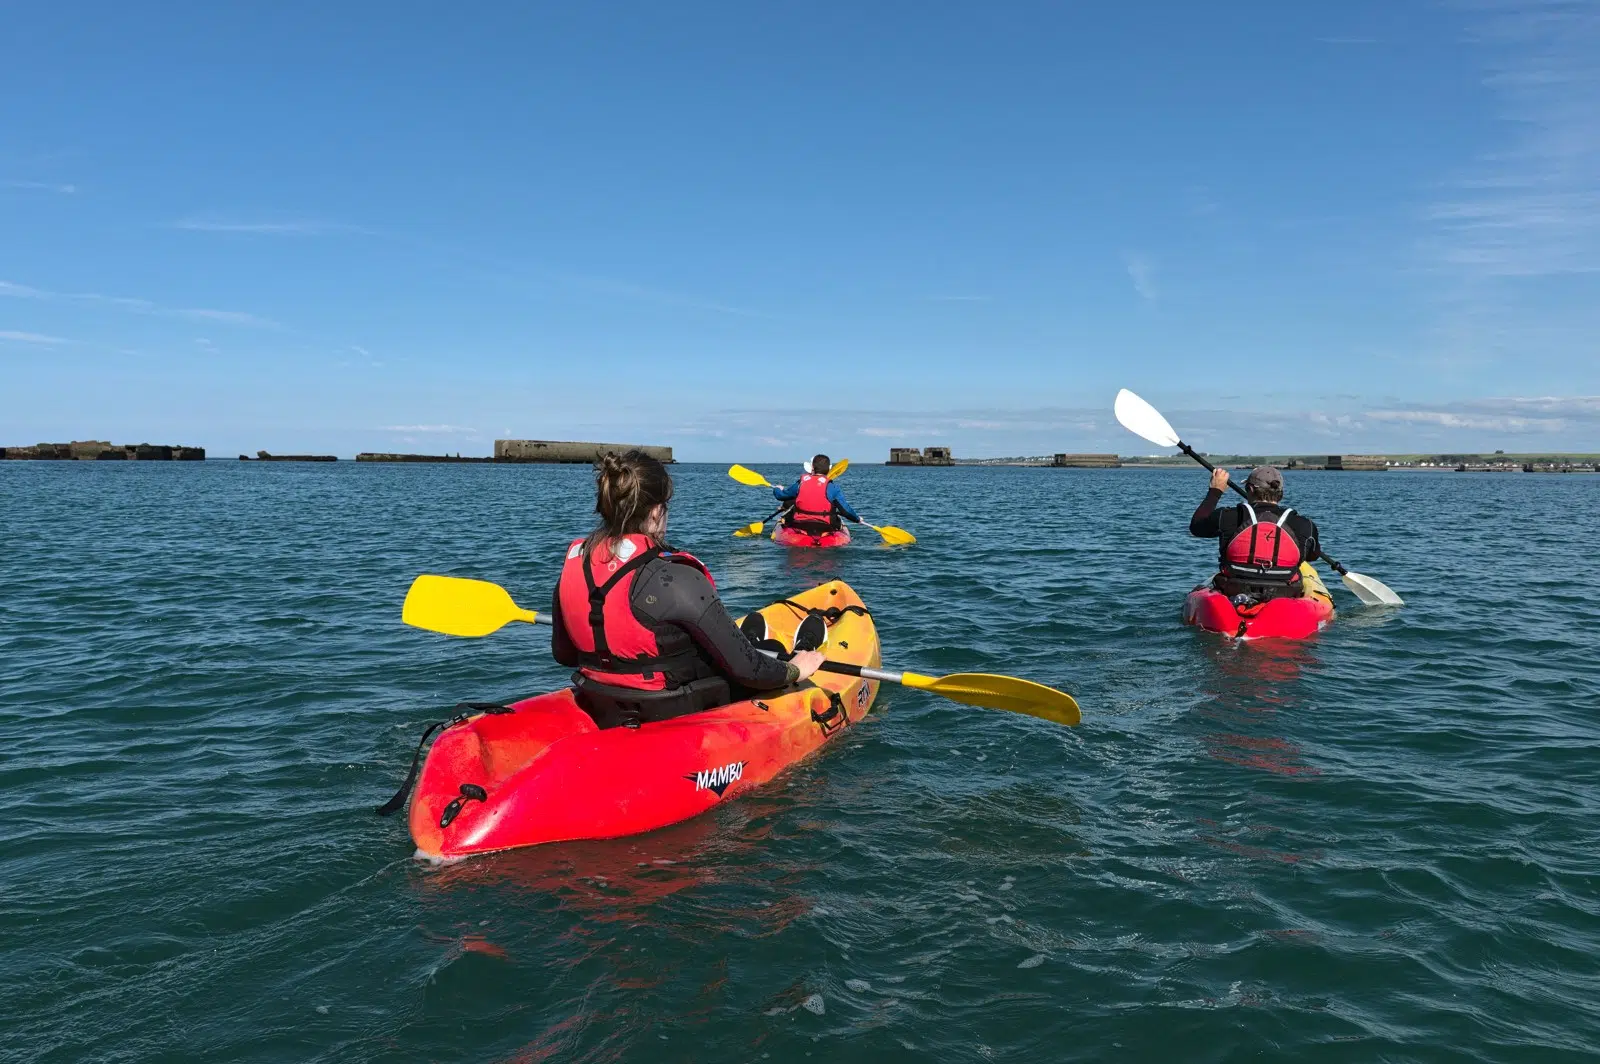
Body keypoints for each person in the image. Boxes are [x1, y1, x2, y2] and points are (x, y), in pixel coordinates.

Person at [551, 450, 826, 728]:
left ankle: (755, 641)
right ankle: (795, 650)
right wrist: (795, 670)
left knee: (751, 648)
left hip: (601, 697)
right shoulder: (676, 577)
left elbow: (564, 654)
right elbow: (749, 671)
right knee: (770, 649)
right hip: (675, 707)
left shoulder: (575, 562)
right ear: (657, 511)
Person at [1189, 465, 1322, 603]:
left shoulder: (1227, 516)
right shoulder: (1305, 525)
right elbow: (1313, 555)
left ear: (1250, 489)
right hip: (1284, 592)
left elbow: (1196, 527)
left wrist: (1215, 491)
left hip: (1234, 591)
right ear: (1280, 493)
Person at [772, 454, 863, 535]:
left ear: (812, 467)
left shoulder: (801, 483)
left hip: (800, 525)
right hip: (825, 526)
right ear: (829, 469)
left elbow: (781, 496)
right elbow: (845, 511)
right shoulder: (833, 487)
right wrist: (857, 519)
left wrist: (777, 489)